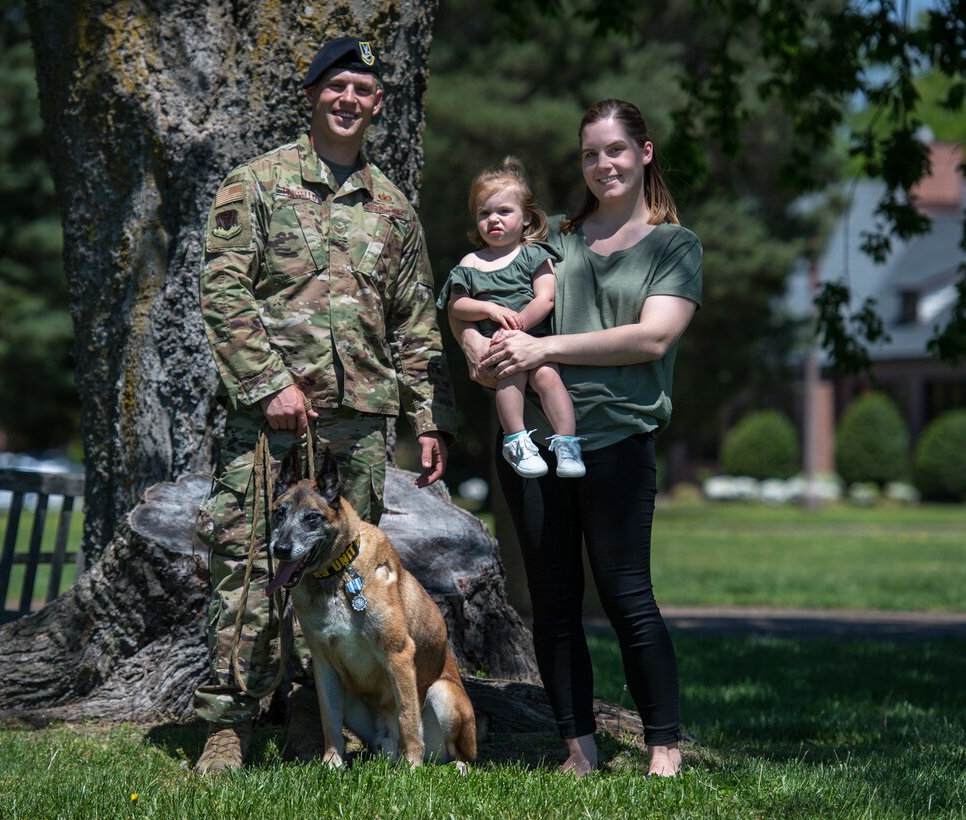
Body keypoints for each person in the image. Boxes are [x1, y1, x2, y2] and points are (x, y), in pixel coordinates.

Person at [192, 37, 456, 774]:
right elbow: (223, 292)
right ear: (311, 95)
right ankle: (229, 728)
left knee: (343, 583)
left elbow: (413, 323)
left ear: (377, 105)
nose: (347, 100)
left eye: (361, 91)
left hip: (360, 427)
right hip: (267, 423)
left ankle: (317, 723)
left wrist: (427, 418)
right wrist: (267, 381)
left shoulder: (393, 208)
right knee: (250, 571)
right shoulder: (257, 184)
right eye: (334, 86)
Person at [451, 99, 701, 777]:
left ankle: (663, 747)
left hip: (616, 441)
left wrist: (543, 348)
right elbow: (479, 290)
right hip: (533, 444)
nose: (602, 165)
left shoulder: (672, 245)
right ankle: (578, 751)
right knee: (553, 603)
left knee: (624, 596)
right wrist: (474, 342)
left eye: (615, 150)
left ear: (643, 153)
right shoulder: (556, 242)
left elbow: (651, 337)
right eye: (590, 154)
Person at [436, 157, 584, 480]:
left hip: (535, 340)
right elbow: (458, 304)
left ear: (527, 218)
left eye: (504, 211)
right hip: (498, 347)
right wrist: (489, 310)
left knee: (547, 377)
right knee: (510, 378)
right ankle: (516, 440)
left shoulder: (533, 254)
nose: (494, 220)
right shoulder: (472, 263)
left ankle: (567, 443)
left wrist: (518, 326)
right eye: (484, 213)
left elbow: (546, 297)